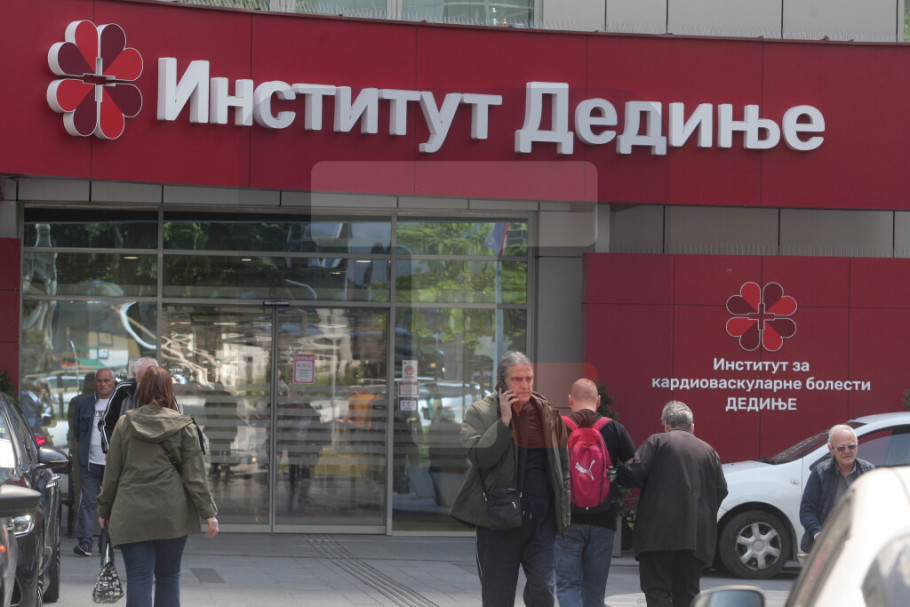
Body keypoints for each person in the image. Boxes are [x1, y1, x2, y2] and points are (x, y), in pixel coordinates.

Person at [450, 351, 570, 607]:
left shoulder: (547, 412)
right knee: (498, 597)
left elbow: (563, 466)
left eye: (529, 379)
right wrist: (504, 421)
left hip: (542, 520)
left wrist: (563, 508)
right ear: (501, 382)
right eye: (518, 379)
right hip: (499, 519)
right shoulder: (481, 412)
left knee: (542, 591)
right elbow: (479, 455)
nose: (525, 385)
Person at [96, 366, 218, 607]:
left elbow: (112, 473)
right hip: (172, 513)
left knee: (138, 577)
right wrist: (208, 513)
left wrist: (104, 508)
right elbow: (195, 477)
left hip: (131, 511)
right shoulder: (185, 427)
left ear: (141, 390)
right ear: (169, 390)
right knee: (169, 576)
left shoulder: (124, 424)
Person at [617, 401, 727, 607]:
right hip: (695, 536)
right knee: (688, 592)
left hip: (657, 534)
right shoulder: (709, 451)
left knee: (657, 589)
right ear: (692, 427)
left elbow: (634, 474)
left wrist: (616, 473)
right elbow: (721, 490)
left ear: (666, 424)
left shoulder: (656, 442)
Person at [554, 378, 636, 607]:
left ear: (570, 400)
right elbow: (635, 469)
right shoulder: (614, 428)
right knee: (594, 590)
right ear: (598, 401)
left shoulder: (558, 427)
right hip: (604, 520)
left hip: (567, 520)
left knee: (567, 585)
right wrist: (616, 476)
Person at [799, 424, 874, 554]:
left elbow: (878, 508)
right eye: (841, 448)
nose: (847, 451)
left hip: (860, 544)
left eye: (851, 446)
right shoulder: (821, 473)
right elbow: (807, 510)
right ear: (831, 449)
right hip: (827, 546)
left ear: (857, 445)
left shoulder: (868, 471)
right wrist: (818, 534)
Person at [71, 368, 115, 556]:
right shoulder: (84, 404)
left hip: (113, 465)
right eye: (99, 380)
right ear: (95, 383)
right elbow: (77, 431)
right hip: (90, 463)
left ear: (113, 383)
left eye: (106, 380)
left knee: (111, 504)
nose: (103, 384)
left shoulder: (120, 404)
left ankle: (106, 543)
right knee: (87, 502)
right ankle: (85, 543)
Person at [99, 357, 159, 453]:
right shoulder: (123, 390)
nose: (147, 385)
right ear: (135, 375)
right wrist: (110, 451)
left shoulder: (163, 391)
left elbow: (175, 424)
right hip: (126, 452)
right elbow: (106, 422)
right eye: (144, 380)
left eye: (151, 379)